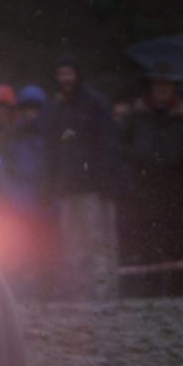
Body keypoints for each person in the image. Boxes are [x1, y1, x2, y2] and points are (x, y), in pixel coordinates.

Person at [117, 65, 183, 296]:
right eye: (158, 85)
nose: (162, 89)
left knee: (179, 242)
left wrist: (176, 157)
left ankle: (182, 291)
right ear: (150, 87)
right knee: (148, 242)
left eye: (167, 85)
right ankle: (150, 292)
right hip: (144, 190)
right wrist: (143, 157)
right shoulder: (134, 116)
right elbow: (120, 146)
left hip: (177, 189)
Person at [47, 57, 119, 298]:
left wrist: (106, 180)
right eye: (61, 74)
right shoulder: (57, 108)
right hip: (68, 187)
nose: (65, 79)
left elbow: (107, 144)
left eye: (69, 73)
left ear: (77, 75)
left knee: (97, 241)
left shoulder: (95, 104)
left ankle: (103, 292)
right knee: (72, 243)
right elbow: (53, 148)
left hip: (93, 186)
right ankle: (78, 291)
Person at [0, 85, 55, 299]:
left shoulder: (50, 136)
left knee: (45, 251)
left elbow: (53, 169)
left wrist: (49, 196)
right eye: (27, 108)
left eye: (35, 108)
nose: (31, 113)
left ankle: (47, 293)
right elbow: (6, 169)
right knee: (20, 251)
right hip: (19, 204)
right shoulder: (12, 135)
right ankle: (21, 295)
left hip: (44, 204)